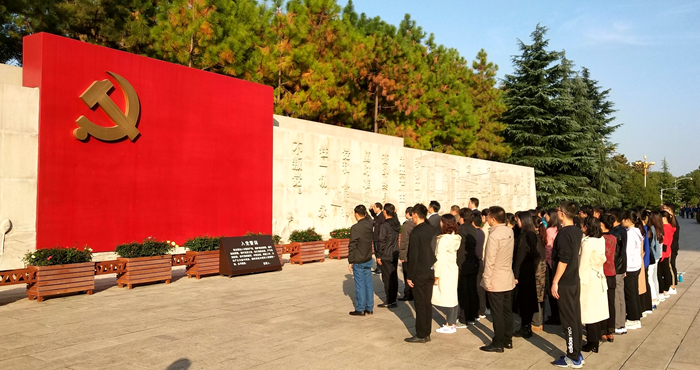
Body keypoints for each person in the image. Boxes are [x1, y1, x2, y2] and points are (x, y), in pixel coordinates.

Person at [551, 201, 584, 368]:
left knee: (568, 320)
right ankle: (577, 351)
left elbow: (563, 260)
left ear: (562, 214)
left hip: (565, 281)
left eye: (558, 210)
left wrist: (555, 281)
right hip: (573, 279)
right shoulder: (576, 231)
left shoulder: (564, 234)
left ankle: (573, 356)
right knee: (575, 317)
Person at [479, 206, 515, 353]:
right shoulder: (509, 231)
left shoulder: (494, 236)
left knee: (497, 313)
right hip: (507, 277)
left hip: (496, 278)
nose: (486, 219)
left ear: (493, 219)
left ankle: (498, 342)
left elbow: (489, 261)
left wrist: (486, 280)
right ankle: (507, 339)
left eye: (488, 216)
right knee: (507, 311)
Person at [404, 204, 437, 343]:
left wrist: (409, 276)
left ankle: (421, 334)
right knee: (427, 303)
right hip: (429, 269)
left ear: (416, 215)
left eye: (412, 215)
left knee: (420, 304)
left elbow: (413, 256)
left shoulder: (416, 232)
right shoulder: (430, 229)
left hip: (419, 272)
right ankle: (426, 332)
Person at [580, 217, 609, 354]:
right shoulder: (600, 239)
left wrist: (578, 280)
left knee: (589, 312)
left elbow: (583, 264)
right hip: (598, 276)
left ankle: (592, 342)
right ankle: (595, 339)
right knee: (596, 311)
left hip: (589, 278)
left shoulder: (587, 243)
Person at [513, 211, 544, 339]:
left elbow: (519, 258)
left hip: (523, 272)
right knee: (530, 300)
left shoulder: (524, 237)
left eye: (519, 220)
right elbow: (538, 256)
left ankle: (525, 327)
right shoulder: (534, 235)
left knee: (523, 301)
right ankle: (527, 326)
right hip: (531, 270)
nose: (517, 222)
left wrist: (515, 275)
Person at [432, 215, 462, 334]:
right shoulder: (455, 237)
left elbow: (440, 258)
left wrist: (436, 275)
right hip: (452, 269)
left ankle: (450, 324)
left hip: (444, 270)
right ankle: (452, 322)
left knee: (448, 298)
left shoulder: (444, 239)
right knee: (453, 296)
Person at [348, 205, 375, 316]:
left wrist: (350, 261)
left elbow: (352, 245)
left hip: (359, 259)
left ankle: (360, 308)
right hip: (368, 257)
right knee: (368, 283)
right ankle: (369, 307)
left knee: (360, 285)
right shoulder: (370, 224)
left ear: (356, 214)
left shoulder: (356, 228)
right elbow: (369, 218)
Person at [456, 208, 480, 327]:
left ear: (462, 217)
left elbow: (460, 248)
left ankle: (463, 318)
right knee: (472, 289)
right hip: (473, 261)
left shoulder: (462, 229)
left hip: (464, 262)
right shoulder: (473, 228)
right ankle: (472, 315)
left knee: (464, 291)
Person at [621, 210, 644, 330]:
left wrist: (624, 267)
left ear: (629, 220)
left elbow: (627, 252)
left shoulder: (629, 233)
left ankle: (633, 319)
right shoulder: (637, 231)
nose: (622, 221)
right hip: (636, 265)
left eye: (623, 219)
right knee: (634, 292)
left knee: (630, 294)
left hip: (630, 266)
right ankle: (637, 314)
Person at [376, 203, 401, 309]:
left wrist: (379, 255)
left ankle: (390, 300)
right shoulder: (397, 223)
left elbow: (381, 240)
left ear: (385, 212)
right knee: (393, 277)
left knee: (387, 278)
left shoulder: (385, 225)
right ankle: (393, 299)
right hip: (394, 252)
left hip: (386, 254)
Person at [609, 208, 628, 335]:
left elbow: (614, 254)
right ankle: (621, 323)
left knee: (616, 296)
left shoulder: (616, 233)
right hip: (621, 267)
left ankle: (617, 323)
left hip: (616, 267)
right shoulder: (622, 230)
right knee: (620, 295)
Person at [599, 214, 618, 343]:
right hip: (612, 272)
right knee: (611, 302)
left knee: (601, 303)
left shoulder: (600, 239)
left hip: (602, 273)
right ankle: (610, 330)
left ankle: (602, 330)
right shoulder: (613, 238)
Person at [544, 208, 561, 325]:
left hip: (550, 263)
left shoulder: (549, 230)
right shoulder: (559, 229)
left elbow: (548, 248)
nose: (545, 217)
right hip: (557, 262)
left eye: (547, 215)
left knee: (551, 291)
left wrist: (547, 262)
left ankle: (555, 315)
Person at [398, 207, 415, 301]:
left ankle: (408, 294)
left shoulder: (406, 225)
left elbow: (404, 241)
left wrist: (402, 255)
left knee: (407, 274)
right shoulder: (418, 223)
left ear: (408, 213)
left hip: (408, 253)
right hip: (415, 253)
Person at [473, 209, 488, 320]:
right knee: (481, 287)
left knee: (478, 287)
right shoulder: (482, 231)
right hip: (483, 260)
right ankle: (482, 309)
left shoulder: (482, 231)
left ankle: (480, 310)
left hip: (480, 260)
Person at [658, 211, 676, 299]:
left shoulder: (666, 228)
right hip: (666, 250)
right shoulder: (669, 227)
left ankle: (665, 288)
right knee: (665, 270)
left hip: (664, 251)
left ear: (664, 218)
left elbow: (665, 241)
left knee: (665, 271)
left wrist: (663, 253)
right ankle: (666, 288)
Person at [647, 211, 663, 309]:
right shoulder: (659, 229)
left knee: (650, 278)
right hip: (657, 256)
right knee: (654, 277)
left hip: (653, 256)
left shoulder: (652, 229)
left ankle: (653, 298)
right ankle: (656, 296)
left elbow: (652, 245)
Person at [370, 202, 385, 275]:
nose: (374, 209)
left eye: (375, 207)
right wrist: (370, 209)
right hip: (375, 238)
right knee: (376, 254)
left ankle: (381, 268)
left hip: (379, 238)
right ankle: (378, 268)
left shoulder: (382, 216)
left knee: (379, 254)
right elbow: (373, 215)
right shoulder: (377, 216)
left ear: (379, 208)